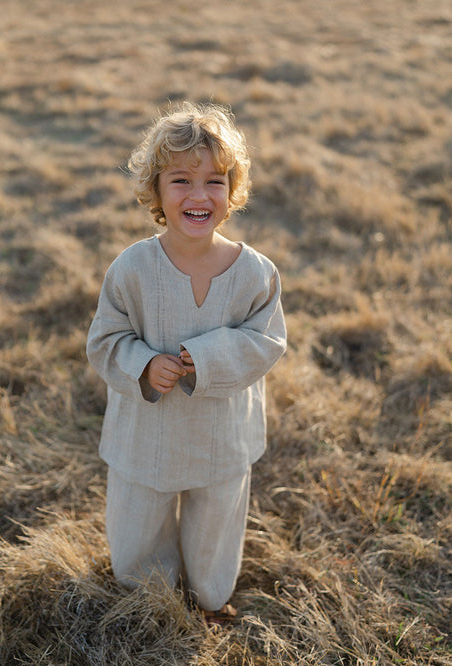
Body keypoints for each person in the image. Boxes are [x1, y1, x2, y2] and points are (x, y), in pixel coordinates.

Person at [86, 101, 287, 627]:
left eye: (215, 181)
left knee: (215, 521)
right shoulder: (132, 268)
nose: (199, 196)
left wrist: (206, 356)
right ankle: (147, 595)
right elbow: (106, 339)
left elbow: (266, 340)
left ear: (233, 191)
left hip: (221, 434)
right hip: (147, 433)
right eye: (181, 180)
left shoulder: (255, 274)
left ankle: (210, 596)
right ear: (155, 190)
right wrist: (144, 365)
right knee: (139, 522)